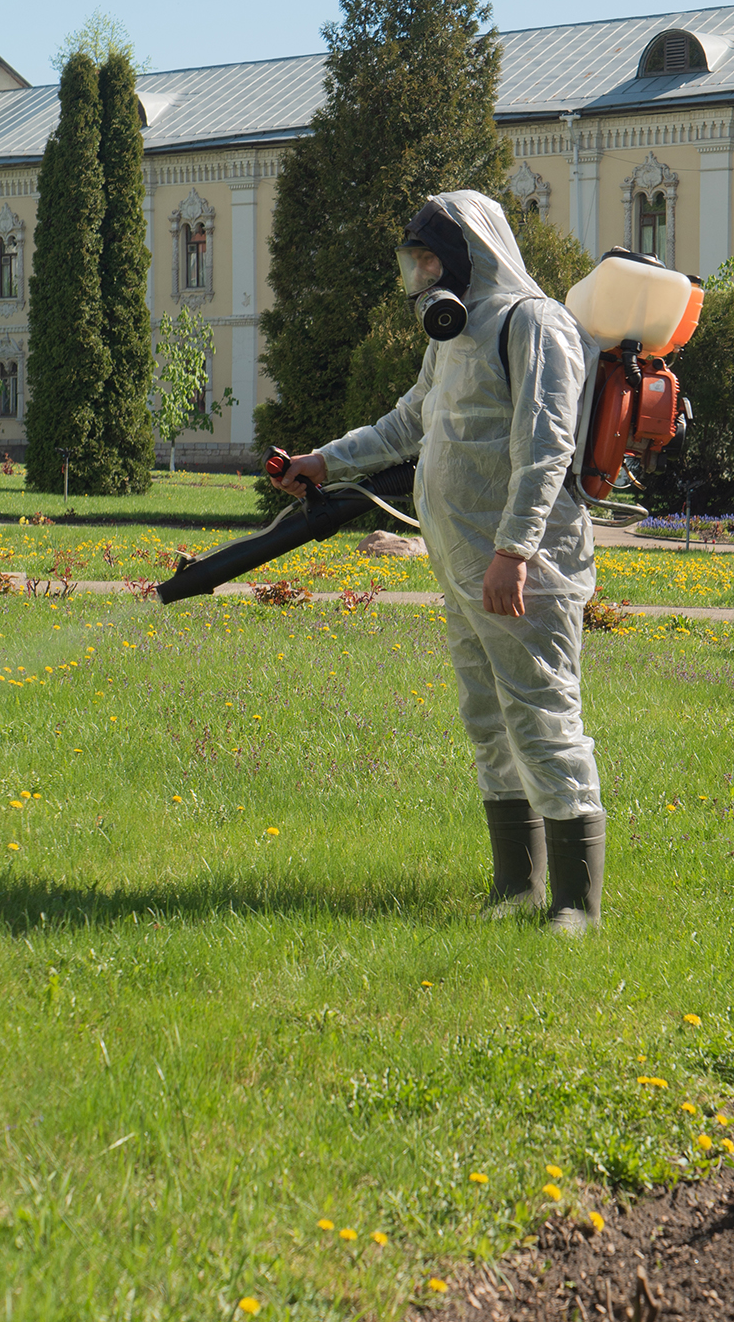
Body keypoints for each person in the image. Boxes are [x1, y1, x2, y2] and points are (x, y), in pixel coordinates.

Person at [273, 190, 605, 935]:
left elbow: (547, 445)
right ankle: (516, 885)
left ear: (467, 253)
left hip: (525, 568)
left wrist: (514, 551)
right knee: (489, 721)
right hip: (462, 567)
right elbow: (407, 423)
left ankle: (575, 903)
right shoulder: (447, 334)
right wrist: (324, 461)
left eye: (429, 257)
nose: (420, 273)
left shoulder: (534, 323)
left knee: (544, 717)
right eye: (415, 261)